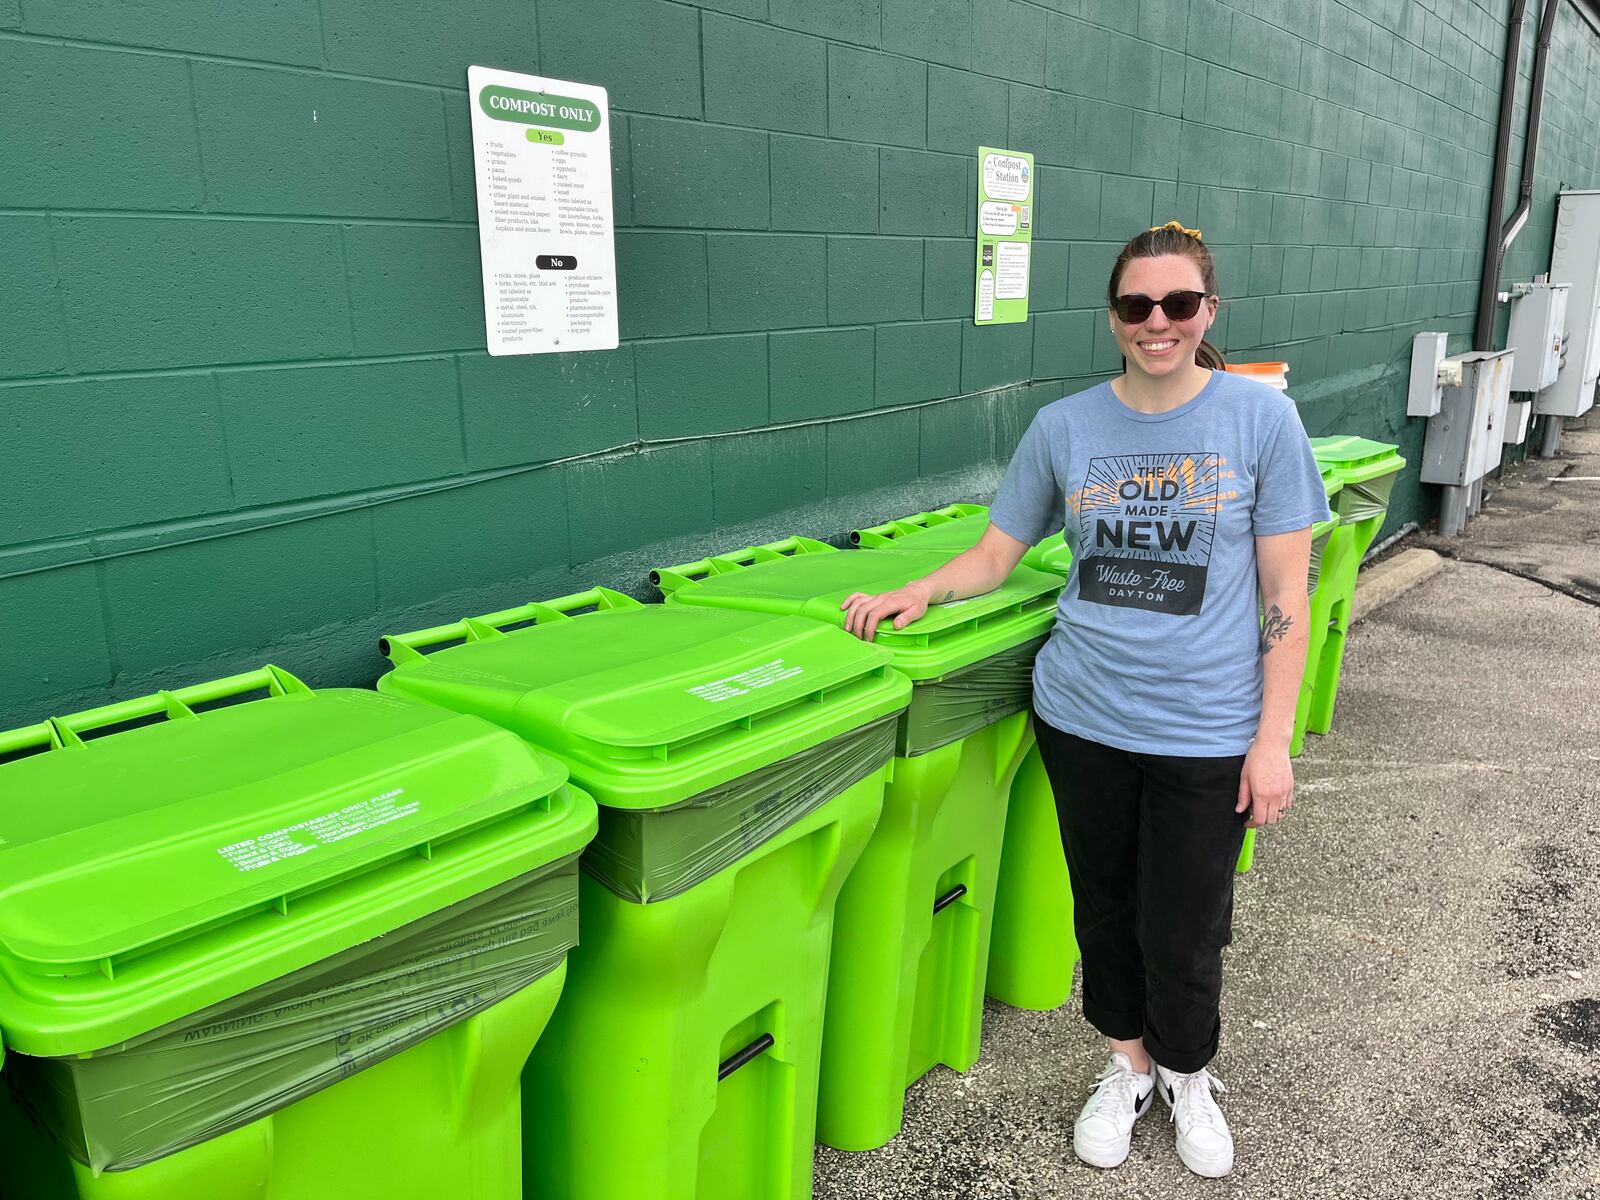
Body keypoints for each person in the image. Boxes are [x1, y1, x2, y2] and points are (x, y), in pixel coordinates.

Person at [839, 221, 1331, 1179]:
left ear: (1206, 313)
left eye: (1178, 305)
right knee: (1103, 910)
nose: (1159, 323)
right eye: (1138, 306)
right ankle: (1126, 1065)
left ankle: (1188, 1073)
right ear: (1113, 317)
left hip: (1205, 729)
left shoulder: (1259, 421)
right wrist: (922, 590)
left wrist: (1274, 742)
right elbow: (997, 553)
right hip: (1083, 717)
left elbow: (1286, 598)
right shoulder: (1067, 426)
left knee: (1183, 924)